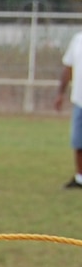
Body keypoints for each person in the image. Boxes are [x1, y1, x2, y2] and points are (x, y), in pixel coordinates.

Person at [59, 25, 82, 188]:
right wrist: (60, 93)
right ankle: (80, 178)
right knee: (78, 142)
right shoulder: (78, 39)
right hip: (79, 100)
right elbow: (68, 67)